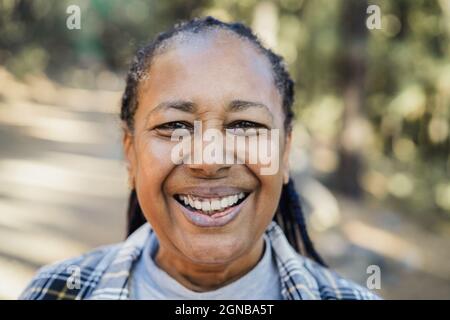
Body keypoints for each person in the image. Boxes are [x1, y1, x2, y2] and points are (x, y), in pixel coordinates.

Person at [20, 16, 379, 300]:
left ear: (285, 153)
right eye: (175, 125)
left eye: (244, 125)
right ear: (130, 152)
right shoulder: (58, 291)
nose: (209, 160)